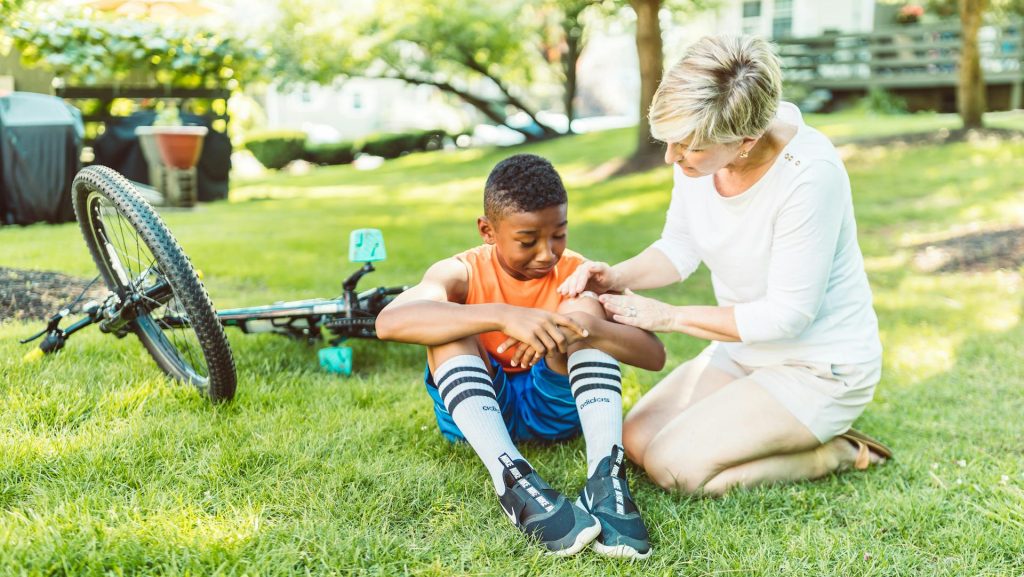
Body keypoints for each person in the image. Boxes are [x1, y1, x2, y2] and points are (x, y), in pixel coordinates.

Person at [558, 35, 892, 496]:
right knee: (635, 439)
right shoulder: (701, 153)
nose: (671, 157)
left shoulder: (810, 176)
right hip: (742, 351)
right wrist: (615, 276)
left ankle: (835, 452)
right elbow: (680, 245)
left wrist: (670, 317)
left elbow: (788, 315)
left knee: (674, 468)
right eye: (669, 141)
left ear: (746, 141)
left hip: (818, 368)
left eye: (687, 147)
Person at [375, 154, 666, 558]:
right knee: (447, 327)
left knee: (584, 309)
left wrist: (586, 326)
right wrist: (501, 315)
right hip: (480, 412)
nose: (547, 253)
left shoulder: (578, 273)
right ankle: (511, 479)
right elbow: (388, 322)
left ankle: (605, 478)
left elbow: (654, 355)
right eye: (528, 241)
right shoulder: (461, 272)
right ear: (487, 231)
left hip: (554, 409)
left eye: (558, 235)